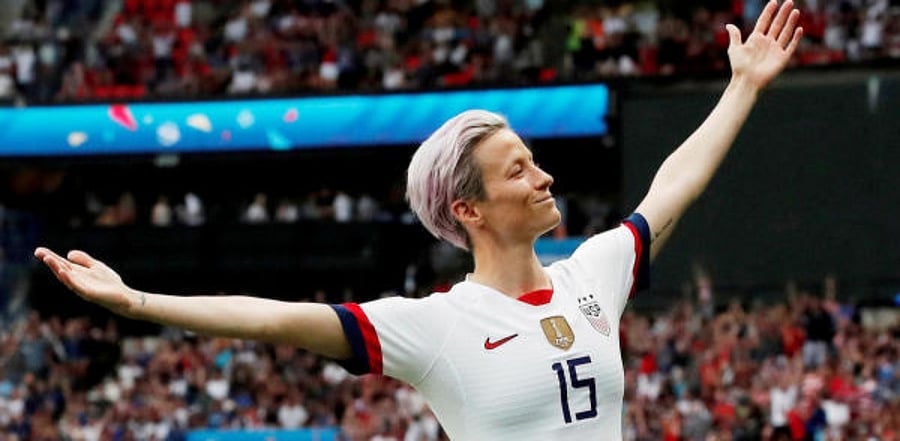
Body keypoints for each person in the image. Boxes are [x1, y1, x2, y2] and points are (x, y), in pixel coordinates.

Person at [34, 2, 803, 439]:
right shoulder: (435, 326)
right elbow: (271, 319)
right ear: (468, 209)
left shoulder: (593, 273)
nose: (544, 176)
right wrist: (137, 303)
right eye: (518, 170)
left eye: (535, 160)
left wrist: (742, 89)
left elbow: (674, 186)